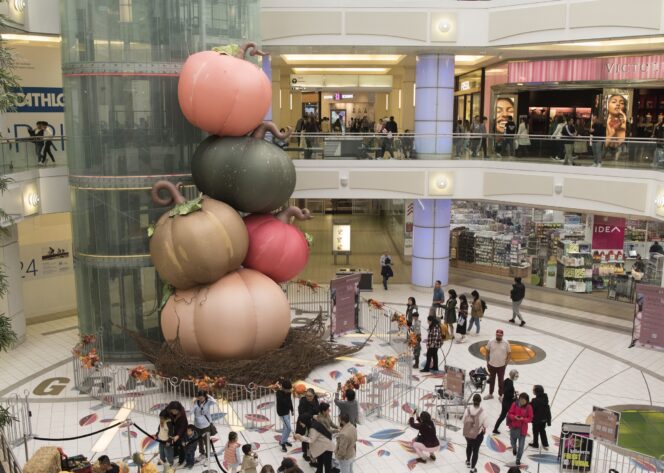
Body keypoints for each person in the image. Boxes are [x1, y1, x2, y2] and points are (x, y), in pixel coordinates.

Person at [463, 394, 489, 473]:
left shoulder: (467, 410)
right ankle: (472, 468)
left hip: (468, 433)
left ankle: (468, 461)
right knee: (475, 451)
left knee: (469, 446)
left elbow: (463, 421)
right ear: (480, 401)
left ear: (473, 401)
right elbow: (486, 425)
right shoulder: (483, 412)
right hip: (477, 435)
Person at [484, 329, 512, 400]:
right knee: (491, 380)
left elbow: (509, 354)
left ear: (502, 335)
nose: (498, 336)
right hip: (491, 365)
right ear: (496, 334)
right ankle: (490, 394)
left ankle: (500, 395)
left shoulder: (506, 343)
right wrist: (487, 362)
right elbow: (487, 351)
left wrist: (506, 364)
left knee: (501, 381)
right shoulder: (491, 341)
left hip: (501, 366)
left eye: (500, 335)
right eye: (497, 335)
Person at [507, 393, 533, 466]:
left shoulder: (529, 407)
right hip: (514, 427)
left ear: (527, 401)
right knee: (512, 442)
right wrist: (514, 417)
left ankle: (518, 458)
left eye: (523, 400)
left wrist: (523, 419)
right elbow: (509, 413)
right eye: (520, 399)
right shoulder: (514, 404)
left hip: (522, 429)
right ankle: (514, 448)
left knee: (521, 446)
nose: (521, 401)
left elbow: (530, 418)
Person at [297, 389, 320, 465]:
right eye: (307, 395)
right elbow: (301, 415)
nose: (308, 397)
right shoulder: (303, 401)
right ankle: (305, 453)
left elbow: (317, 409)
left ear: (313, 395)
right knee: (304, 438)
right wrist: (312, 415)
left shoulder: (315, 400)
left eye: (310, 396)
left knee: (312, 439)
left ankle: (311, 454)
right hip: (304, 423)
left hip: (312, 423)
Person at [492, 369, 519, 434]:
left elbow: (505, 390)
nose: (517, 377)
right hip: (508, 403)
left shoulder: (507, 380)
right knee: (506, 416)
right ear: (513, 376)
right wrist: (513, 397)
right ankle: (497, 429)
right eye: (516, 376)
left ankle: (496, 429)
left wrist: (513, 392)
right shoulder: (510, 383)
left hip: (505, 402)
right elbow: (507, 392)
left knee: (503, 416)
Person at [193, 390, 215, 459]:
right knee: (200, 440)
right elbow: (192, 411)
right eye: (199, 398)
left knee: (206, 441)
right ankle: (202, 453)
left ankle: (207, 455)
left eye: (202, 398)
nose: (201, 399)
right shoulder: (196, 402)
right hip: (197, 425)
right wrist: (192, 403)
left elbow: (214, 401)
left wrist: (208, 395)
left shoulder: (208, 402)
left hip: (206, 425)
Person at [529, 385, 552, 450]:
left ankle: (535, 443)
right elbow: (548, 411)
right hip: (543, 420)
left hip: (536, 420)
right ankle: (545, 443)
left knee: (535, 431)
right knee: (542, 431)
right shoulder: (545, 399)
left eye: (533, 390)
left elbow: (531, 408)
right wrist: (549, 421)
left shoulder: (535, 401)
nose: (533, 391)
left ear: (536, 392)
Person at [167, 401, 188, 466]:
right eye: (172, 410)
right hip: (175, 428)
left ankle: (182, 460)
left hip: (182, 431)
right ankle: (176, 453)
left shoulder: (182, 415)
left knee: (181, 445)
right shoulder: (169, 410)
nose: (173, 412)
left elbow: (183, 427)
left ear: (178, 410)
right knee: (175, 443)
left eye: (175, 411)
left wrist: (178, 435)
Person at [276, 379, 295, 452]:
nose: (289, 391)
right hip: (282, 413)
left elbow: (289, 401)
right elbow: (284, 402)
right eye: (288, 389)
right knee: (288, 428)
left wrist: (292, 409)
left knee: (285, 428)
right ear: (283, 388)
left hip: (287, 412)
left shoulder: (288, 393)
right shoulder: (279, 393)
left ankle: (285, 440)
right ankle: (282, 442)